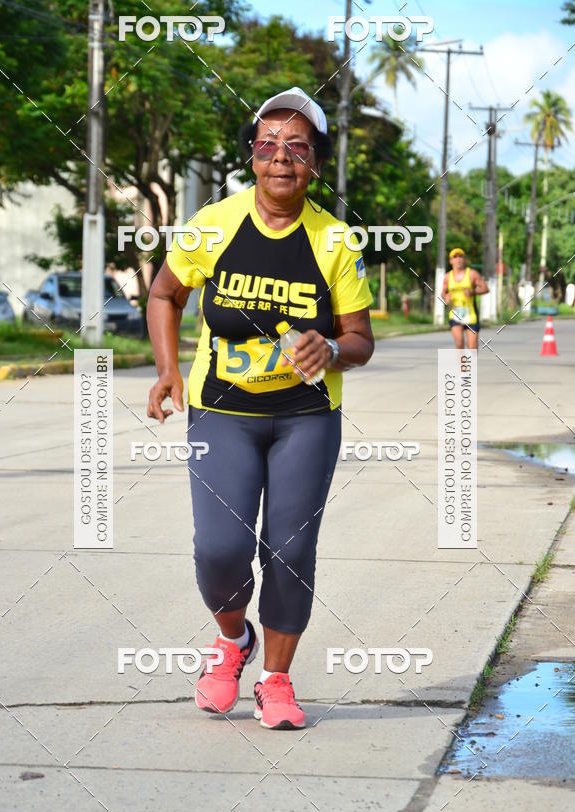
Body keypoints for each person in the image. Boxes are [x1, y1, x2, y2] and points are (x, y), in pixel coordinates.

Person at [146, 87, 374, 730]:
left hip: (307, 418)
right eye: (268, 144)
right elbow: (165, 295)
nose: (281, 157)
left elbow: (361, 341)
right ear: (251, 156)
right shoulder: (212, 225)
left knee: (289, 552)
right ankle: (232, 642)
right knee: (219, 549)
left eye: (297, 147)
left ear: (316, 163)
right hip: (222, 413)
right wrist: (168, 369)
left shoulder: (335, 241)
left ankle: (275, 680)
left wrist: (329, 346)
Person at [442, 248, 488, 349]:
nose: (458, 259)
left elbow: (485, 288)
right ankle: (462, 366)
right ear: (451, 261)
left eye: (461, 256)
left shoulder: (472, 274)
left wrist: (473, 292)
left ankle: (470, 364)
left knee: (472, 347)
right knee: (459, 342)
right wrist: (446, 298)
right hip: (455, 314)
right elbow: (443, 294)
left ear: (464, 259)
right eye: (455, 257)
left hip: (471, 314)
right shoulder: (447, 277)